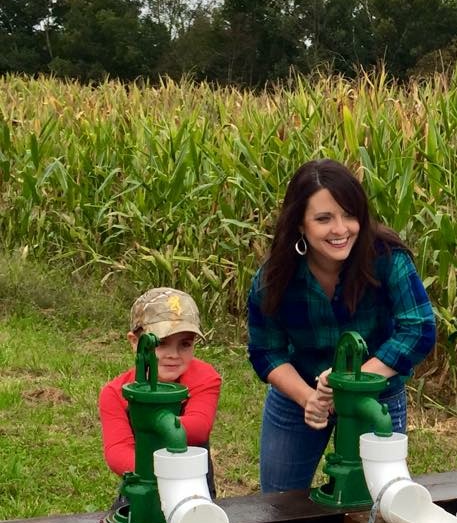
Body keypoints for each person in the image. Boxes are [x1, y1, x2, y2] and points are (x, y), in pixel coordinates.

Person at [247, 159, 437, 493]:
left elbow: (419, 328)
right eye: (324, 219)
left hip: (376, 393)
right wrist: (309, 398)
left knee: (375, 503)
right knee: (279, 506)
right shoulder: (273, 277)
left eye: (349, 215)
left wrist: (350, 384)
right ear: (300, 225)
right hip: (301, 394)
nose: (341, 229)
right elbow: (266, 350)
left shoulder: (387, 258)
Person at [99, 287, 222, 496]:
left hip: (193, 488)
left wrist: (155, 422)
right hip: (141, 485)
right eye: (161, 343)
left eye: (185, 344)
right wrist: (153, 476)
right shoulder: (115, 393)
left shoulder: (205, 377)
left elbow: (199, 427)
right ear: (135, 342)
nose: (173, 354)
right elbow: (117, 451)